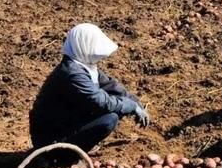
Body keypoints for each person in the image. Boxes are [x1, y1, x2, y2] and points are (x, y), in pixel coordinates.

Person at [29, 24, 149, 153]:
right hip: (51, 139)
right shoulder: (72, 74)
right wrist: (130, 106)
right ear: (84, 46)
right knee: (109, 119)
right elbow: (101, 102)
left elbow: (110, 86)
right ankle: (62, 158)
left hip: (66, 124)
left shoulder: (83, 66)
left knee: (115, 107)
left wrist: (136, 102)